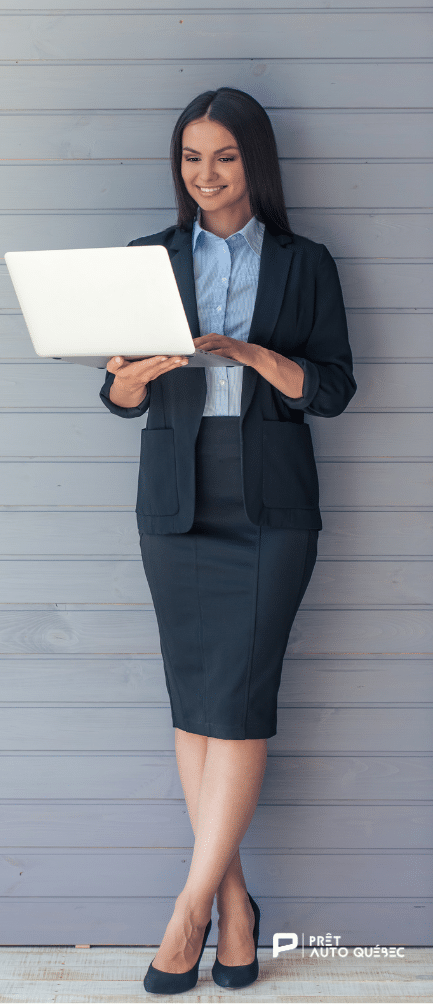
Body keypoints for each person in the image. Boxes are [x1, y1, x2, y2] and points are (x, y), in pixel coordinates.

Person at [99, 87, 356, 995]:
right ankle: (238, 905)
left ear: (256, 163)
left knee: (238, 701)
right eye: (190, 158)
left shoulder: (304, 263)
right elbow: (117, 399)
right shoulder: (146, 260)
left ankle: (188, 911)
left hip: (270, 505)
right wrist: (132, 379)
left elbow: (328, 390)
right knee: (194, 702)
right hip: (173, 496)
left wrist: (248, 355)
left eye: (224, 158)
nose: (205, 177)